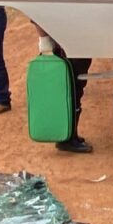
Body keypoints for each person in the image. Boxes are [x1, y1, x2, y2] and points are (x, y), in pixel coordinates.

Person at [35, 25, 93, 153]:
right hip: (65, 46)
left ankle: (69, 135)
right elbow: (37, 14)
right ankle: (66, 139)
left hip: (77, 43)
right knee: (71, 89)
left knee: (75, 89)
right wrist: (45, 42)